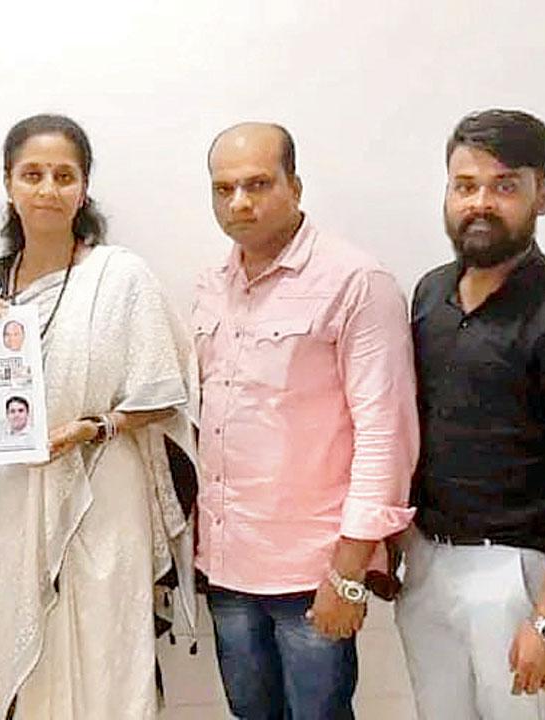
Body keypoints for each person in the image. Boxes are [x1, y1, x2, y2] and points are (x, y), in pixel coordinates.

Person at [0, 113, 199, 719]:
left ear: (83, 188)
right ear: (8, 183)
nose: (47, 189)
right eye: (32, 174)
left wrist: (91, 428)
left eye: (64, 175)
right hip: (8, 501)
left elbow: (163, 391)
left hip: (104, 490)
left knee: (108, 646)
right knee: (20, 657)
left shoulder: (121, 276)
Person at [395, 109, 545, 720]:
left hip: (512, 574)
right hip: (426, 560)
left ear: (540, 196)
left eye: (505, 186)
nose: (481, 203)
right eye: (465, 186)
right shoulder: (430, 293)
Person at [195, 122, 418, 719]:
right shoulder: (211, 286)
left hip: (312, 571)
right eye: (223, 189)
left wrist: (350, 572)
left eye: (258, 184)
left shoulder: (356, 281)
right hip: (227, 566)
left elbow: (386, 434)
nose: (239, 202)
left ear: (295, 185)